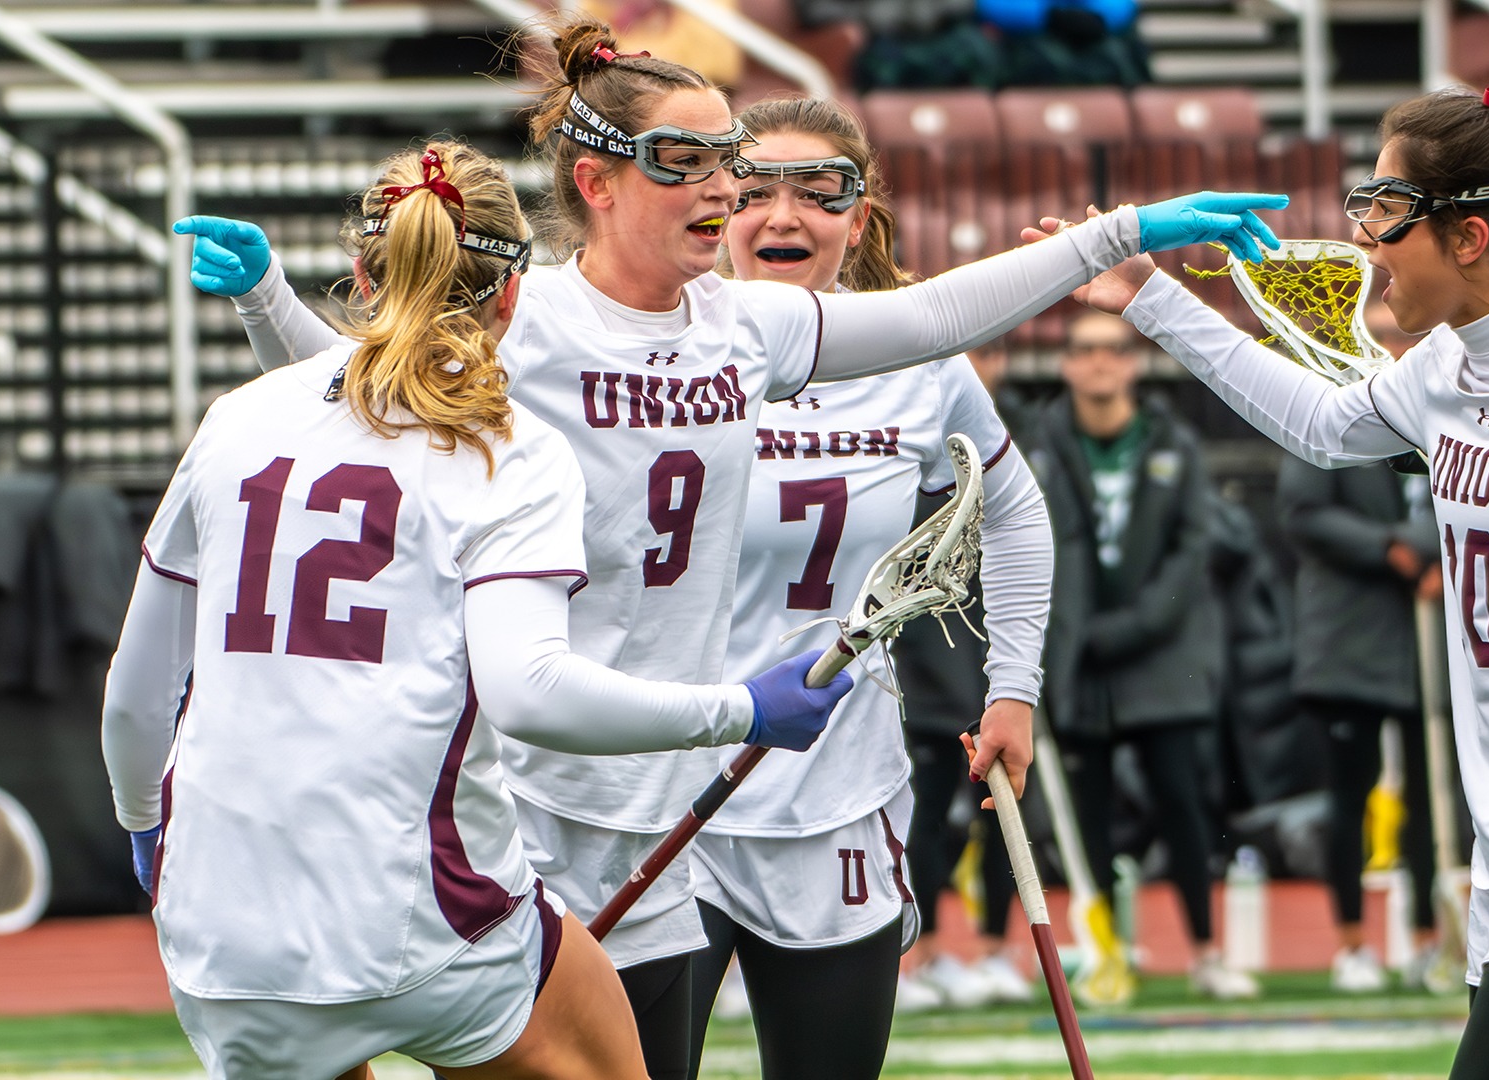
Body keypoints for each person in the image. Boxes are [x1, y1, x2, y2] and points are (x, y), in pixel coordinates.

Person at [175, 16, 1284, 1072]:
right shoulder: (533, 318)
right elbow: (368, 405)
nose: (719, 185)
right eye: (685, 161)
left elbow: (940, 318)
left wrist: (1124, 230)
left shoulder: (748, 328)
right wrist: (271, 302)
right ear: (594, 182)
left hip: (683, 794)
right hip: (538, 798)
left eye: (723, 157)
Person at [99, 141, 855, 1080]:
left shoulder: (236, 418)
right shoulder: (510, 448)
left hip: (220, 930)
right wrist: (743, 710)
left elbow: (136, 698)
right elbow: (531, 693)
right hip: (428, 922)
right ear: (511, 297)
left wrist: (143, 823)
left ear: (365, 276)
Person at [1070, 81, 1489, 1078]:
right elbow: (1324, 427)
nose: (1364, 238)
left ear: (1469, 238)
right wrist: (1152, 299)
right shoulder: (1452, 366)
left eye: (1386, 210)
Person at [683, 96, 1053, 1075]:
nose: (784, 217)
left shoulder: (921, 364)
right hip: (665, 789)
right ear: (715, 206)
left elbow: (1015, 511)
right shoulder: (646, 347)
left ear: (861, 211)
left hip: (840, 798)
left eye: (819, 192)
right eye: (754, 191)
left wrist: (1013, 689)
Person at [1029, 310, 1258, 1000]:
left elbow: (1195, 551)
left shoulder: (1171, 443)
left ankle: (1205, 951)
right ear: (1068, 365)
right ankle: (1108, 953)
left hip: (1161, 655)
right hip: (1079, 657)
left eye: (1112, 351)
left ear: (1131, 364)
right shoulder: (1041, 445)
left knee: (1183, 805)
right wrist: (1072, 636)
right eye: (1086, 351)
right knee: (1087, 811)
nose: (1100, 363)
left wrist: (1131, 626)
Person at [1276, 298, 1448, 993]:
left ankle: (1434, 939)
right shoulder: (1335, 406)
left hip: (1429, 642)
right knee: (1350, 794)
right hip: (1351, 639)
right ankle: (1352, 942)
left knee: (1433, 798)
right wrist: (1395, 549)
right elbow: (1303, 511)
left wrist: (1433, 552)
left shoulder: (1453, 406)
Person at [893, 335, 1036, 1013]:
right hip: (925, 663)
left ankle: (989, 950)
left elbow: (1030, 541)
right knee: (924, 819)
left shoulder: (1022, 440)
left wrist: (1017, 675)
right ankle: (912, 957)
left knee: (994, 817)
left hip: (990, 663)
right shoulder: (916, 432)